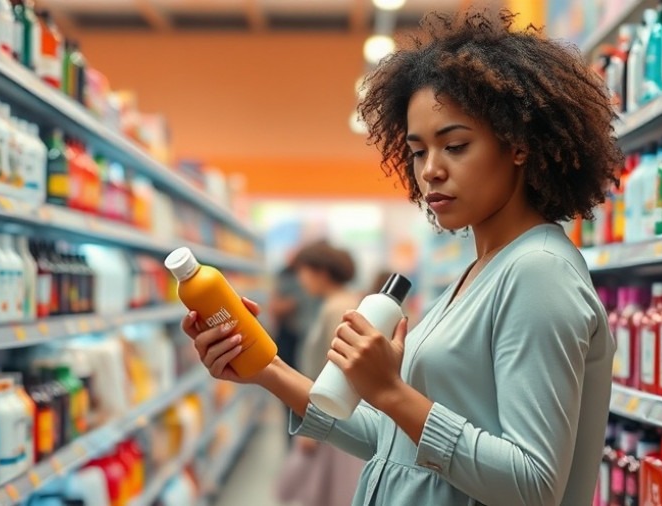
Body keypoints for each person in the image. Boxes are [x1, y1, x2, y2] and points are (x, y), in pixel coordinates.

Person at [182, 9, 619, 506]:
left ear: (518, 146)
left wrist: (390, 390)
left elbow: (533, 485)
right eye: (417, 151)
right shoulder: (480, 270)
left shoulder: (538, 272)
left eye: (455, 145)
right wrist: (265, 368)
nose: (430, 170)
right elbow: (397, 445)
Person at [276, 241, 366, 506]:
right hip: (328, 414)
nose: (300, 281)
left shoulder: (336, 309)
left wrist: (312, 428)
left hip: (329, 416)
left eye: (303, 272)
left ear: (321, 273)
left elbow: (338, 374)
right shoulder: (339, 303)